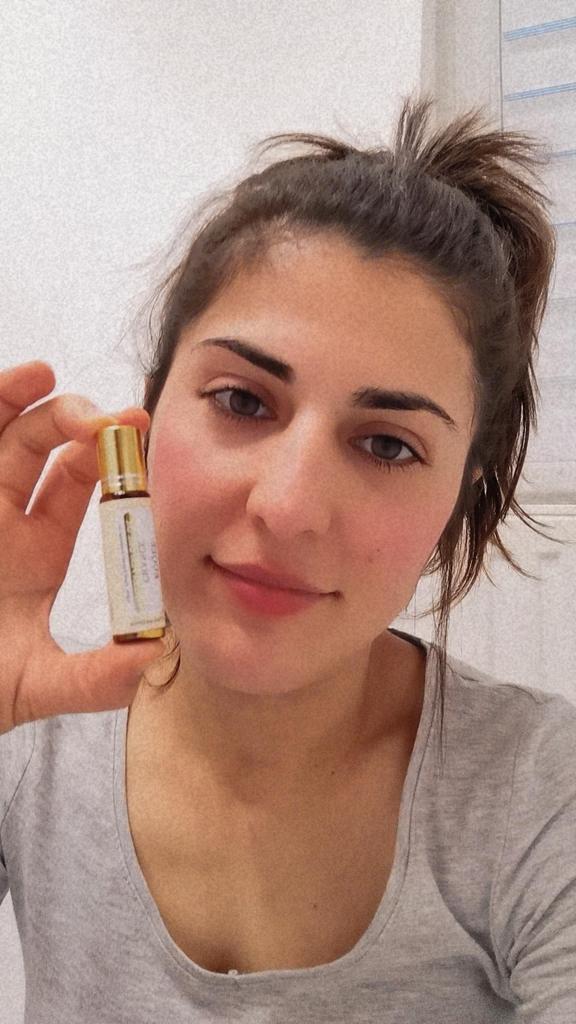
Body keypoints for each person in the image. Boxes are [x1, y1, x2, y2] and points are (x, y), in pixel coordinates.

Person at [1, 92, 574, 1022]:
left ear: (461, 496)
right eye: (242, 401)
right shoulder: (32, 736)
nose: (289, 506)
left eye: (387, 445)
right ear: (146, 417)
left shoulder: (539, 793)